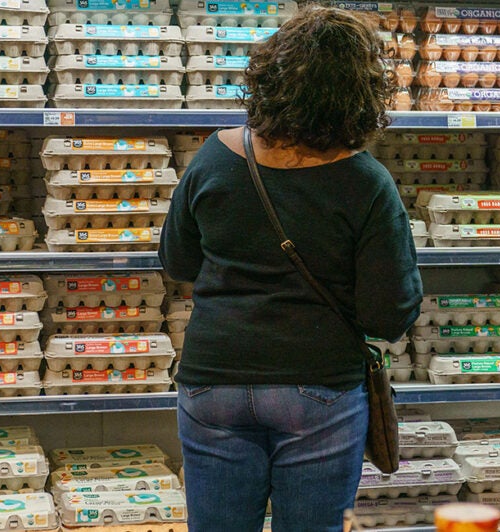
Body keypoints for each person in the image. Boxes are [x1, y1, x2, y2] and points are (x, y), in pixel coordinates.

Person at [158, 5, 423, 531]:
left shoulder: (215, 156)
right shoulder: (367, 182)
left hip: (214, 380)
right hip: (319, 384)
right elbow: (388, 313)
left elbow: (178, 261)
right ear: (362, 92)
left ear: (269, 76)